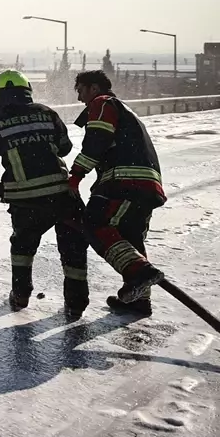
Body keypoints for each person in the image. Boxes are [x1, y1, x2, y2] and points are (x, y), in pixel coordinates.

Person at [0, 70, 88, 317]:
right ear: (28, 91)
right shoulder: (47, 112)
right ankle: (77, 303)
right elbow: (65, 148)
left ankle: (21, 295)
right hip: (62, 193)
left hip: (26, 199)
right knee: (73, 246)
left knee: (23, 246)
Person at [69, 70, 166, 315]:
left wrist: (76, 175)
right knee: (130, 236)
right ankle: (138, 300)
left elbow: (96, 141)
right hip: (145, 184)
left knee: (94, 222)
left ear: (93, 88)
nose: (80, 98)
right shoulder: (125, 110)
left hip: (125, 182)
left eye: (81, 90)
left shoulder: (102, 103)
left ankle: (139, 273)